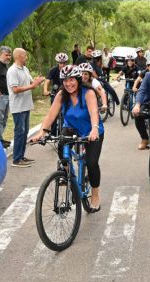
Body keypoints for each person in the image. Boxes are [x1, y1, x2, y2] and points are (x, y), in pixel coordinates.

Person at [31, 65, 104, 211]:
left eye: (71, 80)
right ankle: (69, 176)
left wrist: (94, 130)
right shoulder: (61, 94)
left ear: (78, 79)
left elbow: (94, 113)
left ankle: (95, 193)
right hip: (70, 127)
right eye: (65, 80)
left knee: (91, 162)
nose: (68, 84)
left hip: (91, 130)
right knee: (61, 147)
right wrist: (42, 132)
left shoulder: (88, 92)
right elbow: (50, 115)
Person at [6, 48, 45, 167]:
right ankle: (16, 159)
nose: (26, 58)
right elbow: (15, 89)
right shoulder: (12, 71)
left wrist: (38, 81)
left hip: (26, 105)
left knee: (25, 132)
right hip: (18, 107)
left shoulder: (25, 69)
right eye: (25, 56)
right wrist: (32, 86)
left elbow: (31, 82)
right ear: (18, 56)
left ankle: (21, 156)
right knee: (19, 132)